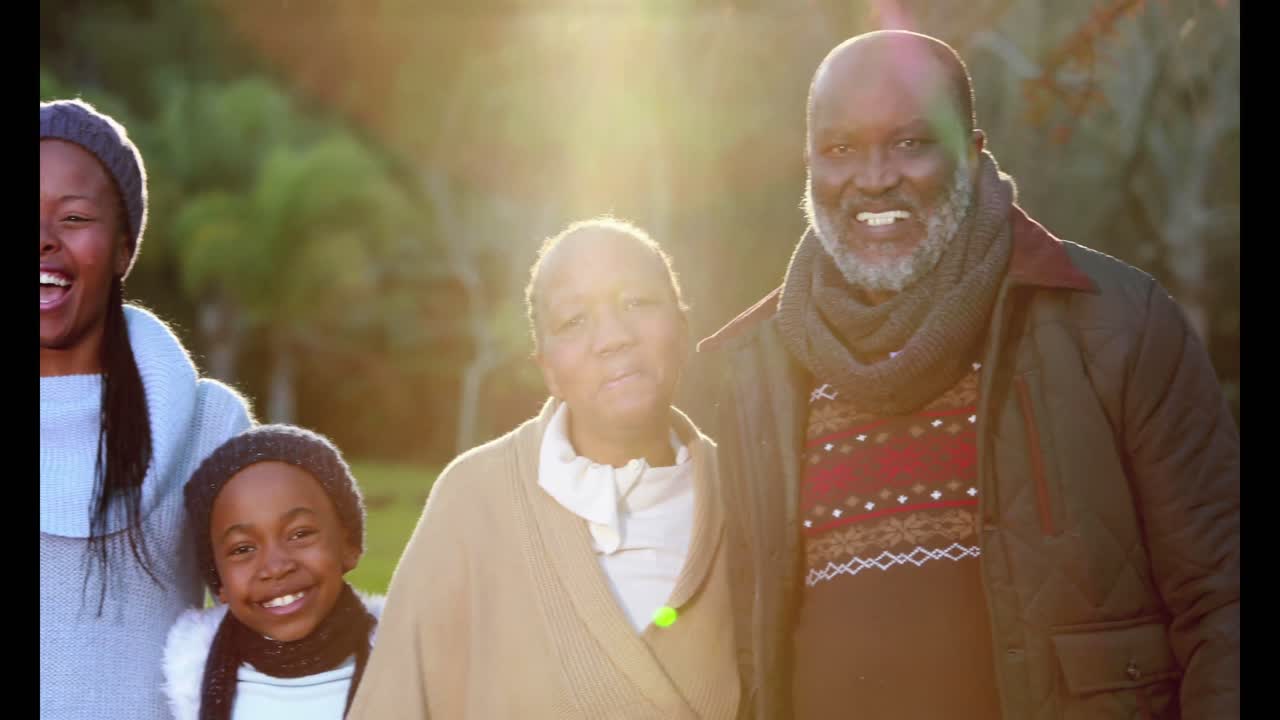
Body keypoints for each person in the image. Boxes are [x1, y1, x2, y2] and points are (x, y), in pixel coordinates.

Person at [697, 30, 1239, 720]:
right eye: (840, 149)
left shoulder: (1116, 323)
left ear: (973, 153)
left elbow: (1223, 599)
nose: (873, 177)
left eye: (911, 143)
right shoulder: (749, 370)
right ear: (809, 164)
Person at [348, 217, 740, 719]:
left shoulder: (746, 493)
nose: (613, 337)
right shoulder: (473, 498)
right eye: (574, 321)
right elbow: (395, 702)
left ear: (683, 327)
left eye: (638, 302)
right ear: (547, 368)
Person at [40, 98, 255, 719]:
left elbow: (281, 619)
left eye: (74, 217)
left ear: (123, 248)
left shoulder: (206, 426)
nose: (46, 240)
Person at [160, 424, 382, 720]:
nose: (276, 567)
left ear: (348, 544)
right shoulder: (188, 682)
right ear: (219, 582)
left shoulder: (406, 671)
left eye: (300, 533)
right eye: (242, 549)